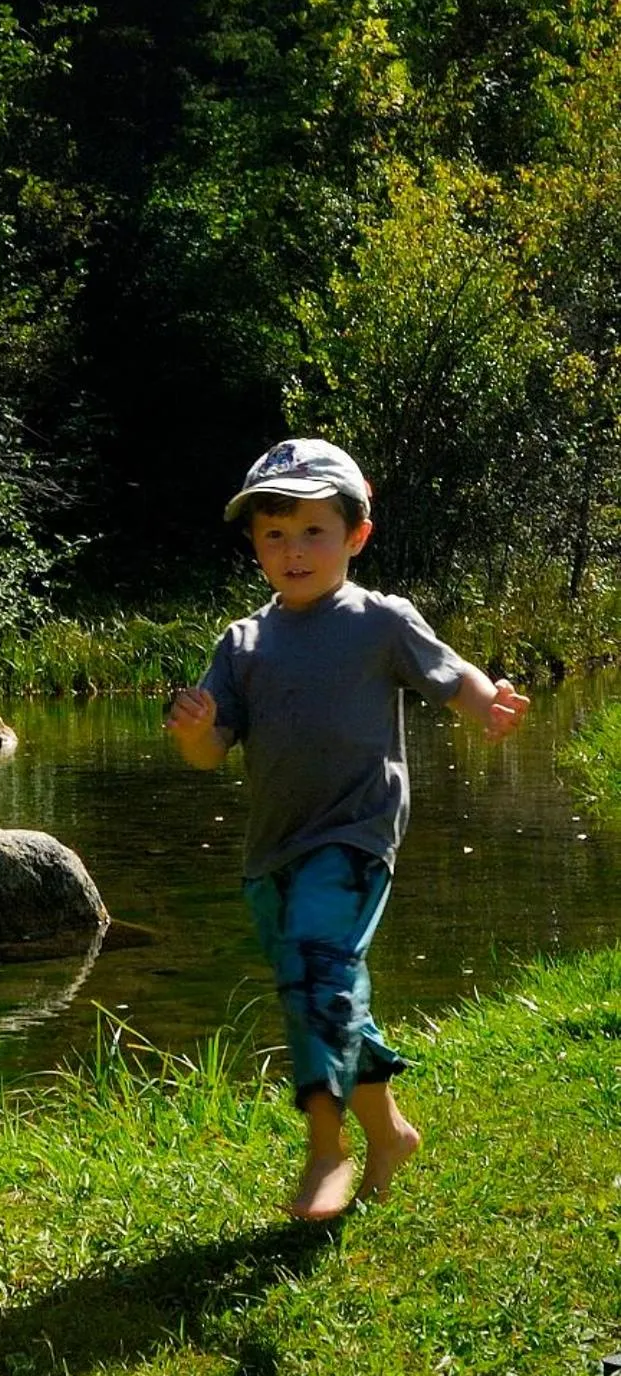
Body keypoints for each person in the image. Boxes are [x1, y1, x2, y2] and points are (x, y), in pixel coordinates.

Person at [165, 439, 529, 1221]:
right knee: (318, 989)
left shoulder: (378, 621)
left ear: (354, 536)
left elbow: (451, 675)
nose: (292, 551)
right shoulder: (242, 642)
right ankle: (388, 1131)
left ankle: (325, 1148)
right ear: (254, 543)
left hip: (357, 834)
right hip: (272, 852)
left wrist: (484, 705)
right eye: (273, 534)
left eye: (312, 531)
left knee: (315, 967)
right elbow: (207, 753)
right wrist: (192, 729)